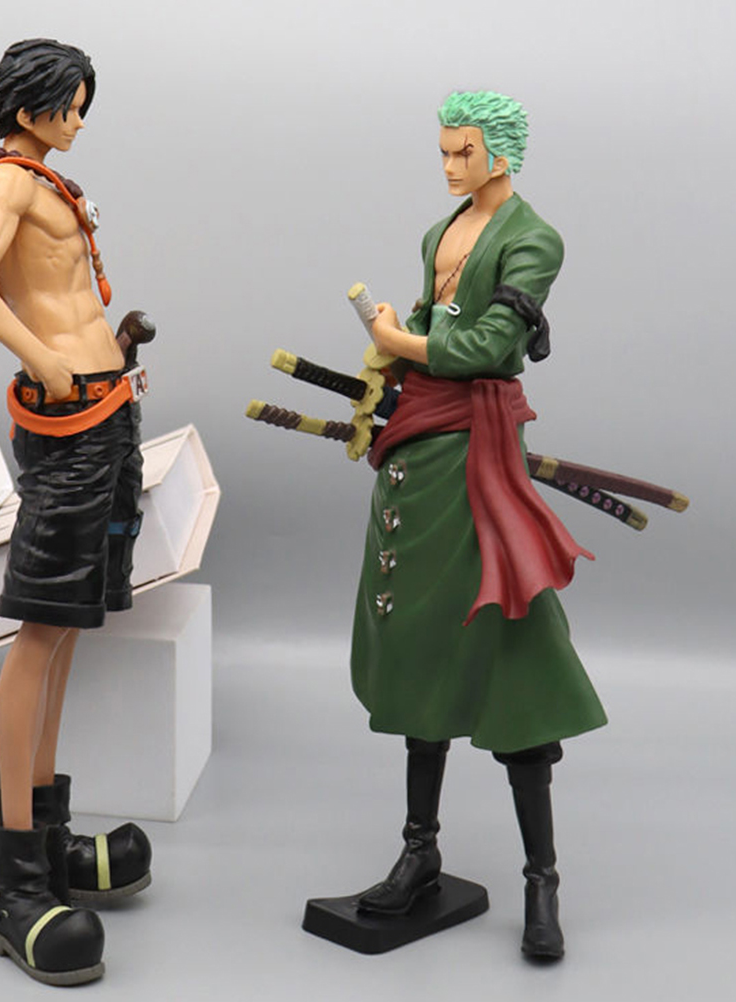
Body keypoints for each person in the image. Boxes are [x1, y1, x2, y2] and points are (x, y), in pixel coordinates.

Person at [349, 90, 606, 960]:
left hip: (480, 461)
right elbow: (438, 326)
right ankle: (419, 851)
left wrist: (400, 341)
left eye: (464, 151)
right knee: (421, 649)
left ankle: (542, 878)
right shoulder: (440, 234)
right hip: (421, 454)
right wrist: (396, 349)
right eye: (444, 150)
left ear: (501, 152)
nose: (451, 165)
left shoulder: (534, 239)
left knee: (509, 647)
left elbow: (489, 348)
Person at [0, 39, 151, 986]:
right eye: (68, 105)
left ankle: (48, 834)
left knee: (68, 626)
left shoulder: (50, 183)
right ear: (31, 109)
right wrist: (42, 355)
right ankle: (17, 887)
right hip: (70, 423)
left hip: (108, 414)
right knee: (38, 630)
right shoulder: (10, 182)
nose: (78, 120)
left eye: (82, 104)